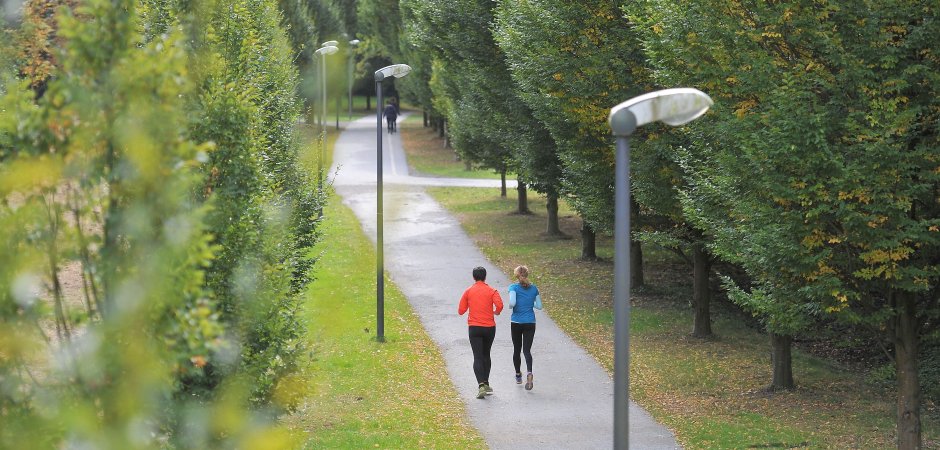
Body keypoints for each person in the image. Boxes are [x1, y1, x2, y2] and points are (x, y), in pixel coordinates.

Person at [458, 266, 503, 399]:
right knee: (486, 354)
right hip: (489, 327)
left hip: (474, 328)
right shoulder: (492, 291)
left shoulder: (468, 291)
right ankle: (486, 383)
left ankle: (481, 385)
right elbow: (499, 305)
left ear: (473, 277)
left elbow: (461, 310)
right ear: (485, 277)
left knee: (477, 356)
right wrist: (496, 312)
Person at [508, 265, 542, 390]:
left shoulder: (513, 287)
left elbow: (512, 303)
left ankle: (518, 375)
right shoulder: (534, 289)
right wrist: (529, 302)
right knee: (527, 350)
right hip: (530, 323)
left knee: (517, 349)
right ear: (527, 274)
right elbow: (539, 306)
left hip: (516, 322)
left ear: (516, 275)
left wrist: (512, 306)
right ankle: (529, 372)